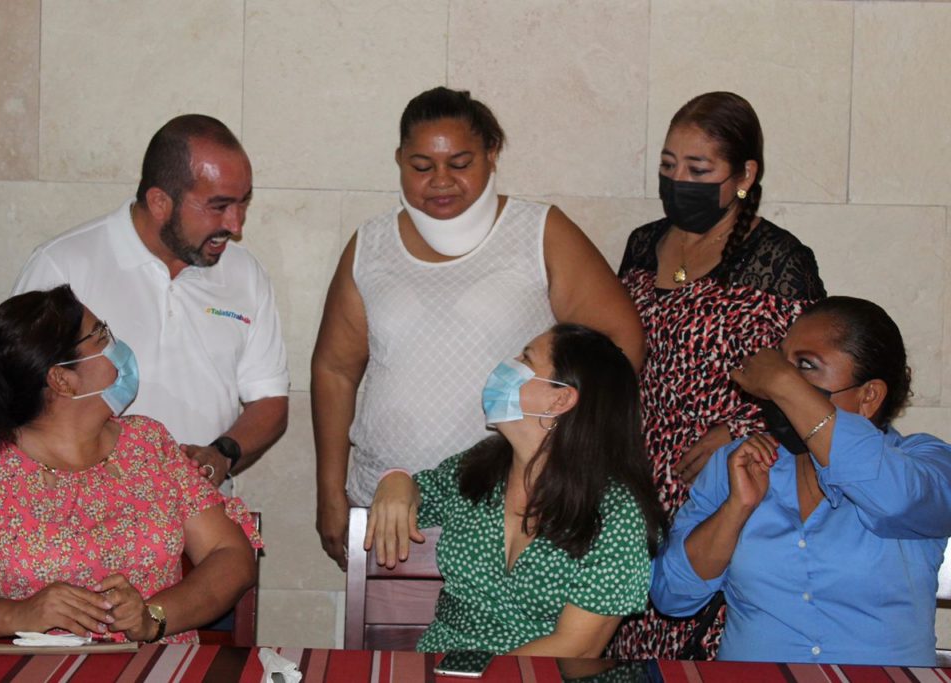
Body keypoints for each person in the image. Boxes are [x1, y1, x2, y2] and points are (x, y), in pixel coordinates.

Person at [313, 87, 645, 568]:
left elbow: (620, 345)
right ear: (399, 160)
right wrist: (330, 492)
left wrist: (562, 452)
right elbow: (335, 370)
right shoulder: (370, 245)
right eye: (421, 166)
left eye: (460, 163)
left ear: (492, 154)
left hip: (510, 507)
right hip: (387, 508)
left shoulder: (539, 232)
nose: (440, 181)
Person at [609, 91, 826, 659]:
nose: (678, 181)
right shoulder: (643, 244)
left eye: (698, 169)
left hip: (724, 482)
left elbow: (811, 381)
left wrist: (736, 431)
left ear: (745, 175)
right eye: (668, 166)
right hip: (635, 483)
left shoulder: (778, 260)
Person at [0, 286, 261, 643]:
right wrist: (19, 614)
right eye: (100, 336)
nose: (116, 346)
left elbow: (230, 555)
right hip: (35, 667)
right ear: (62, 380)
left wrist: (153, 617)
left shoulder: (148, 444)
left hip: (157, 664)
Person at [651, 296, 951, 665]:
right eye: (782, 364)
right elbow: (672, 596)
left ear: (869, 396)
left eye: (805, 367)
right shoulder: (742, 461)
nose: (777, 387)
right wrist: (735, 509)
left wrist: (783, 382)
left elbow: (896, 500)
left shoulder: (925, 463)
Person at [8, 114, 288, 488]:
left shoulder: (245, 273)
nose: (235, 226)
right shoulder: (63, 266)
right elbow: (10, 396)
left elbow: (269, 399)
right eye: (219, 206)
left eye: (243, 203)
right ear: (159, 202)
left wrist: (222, 454)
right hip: (82, 512)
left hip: (204, 513)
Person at [366, 324, 665, 656]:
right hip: (440, 663)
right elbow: (418, 493)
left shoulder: (616, 514)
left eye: (526, 358)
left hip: (540, 674)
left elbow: (578, 648)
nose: (508, 365)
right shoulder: (478, 468)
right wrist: (395, 479)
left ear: (560, 399)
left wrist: (479, 676)